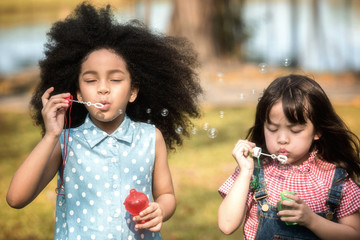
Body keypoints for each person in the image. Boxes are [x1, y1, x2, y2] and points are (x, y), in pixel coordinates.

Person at [7, 2, 202, 240]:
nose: (102, 89)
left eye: (115, 79)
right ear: (78, 94)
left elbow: (166, 194)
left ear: (133, 91)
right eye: (90, 81)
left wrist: (161, 209)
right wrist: (51, 136)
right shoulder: (66, 142)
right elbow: (16, 199)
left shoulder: (151, 137)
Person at [218, 74, 360, 239]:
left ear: (318, 131)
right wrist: (245, 171)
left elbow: (354, 235)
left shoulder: (335, 177)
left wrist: (312, 220)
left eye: (295, 130)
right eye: (272, 129)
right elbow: (226, 226)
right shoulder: (254, 171)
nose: (282, 139)